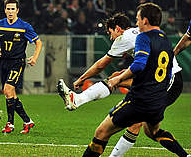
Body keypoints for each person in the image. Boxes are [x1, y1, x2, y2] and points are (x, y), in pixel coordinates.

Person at [58, 12, 183, 156]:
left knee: (132, 120)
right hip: (162, 80)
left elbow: (101, 65)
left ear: (117, 28)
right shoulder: (149, 34)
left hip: (167, 82)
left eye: (110, 33)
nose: (111, 38)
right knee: (147, 129)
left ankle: (78, 99)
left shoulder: (125, 37)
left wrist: (82, 78)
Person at [0, 0, 42, 134]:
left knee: (8, 90)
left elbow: (38, 43)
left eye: (13, 9)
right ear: (5, 10)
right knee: (9, 94)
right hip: (3, 62)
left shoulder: (25, 26)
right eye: (8, 9)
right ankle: (27, 121)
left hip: (17, 62)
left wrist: (35, 57)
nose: (11, 11)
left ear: (17, 10)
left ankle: (10, 124)